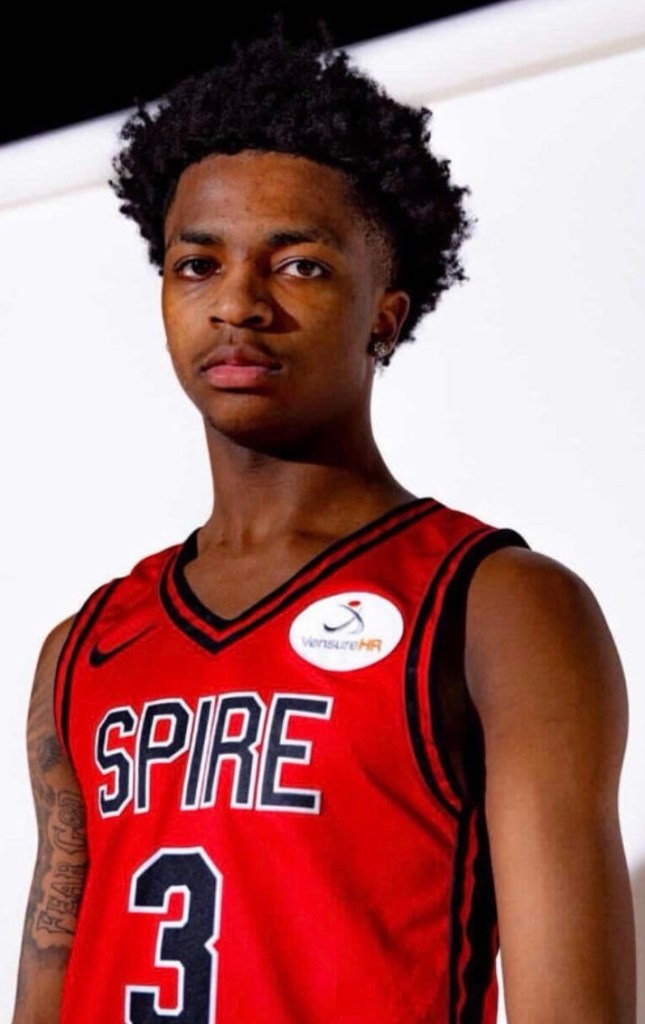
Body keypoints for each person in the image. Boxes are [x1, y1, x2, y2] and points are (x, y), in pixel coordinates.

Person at [11, 22, 636, 1024]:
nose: (237, 304)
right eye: (195, 264)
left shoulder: (497, 607)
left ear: (385, 312)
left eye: (298, 265)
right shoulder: (81, 648)